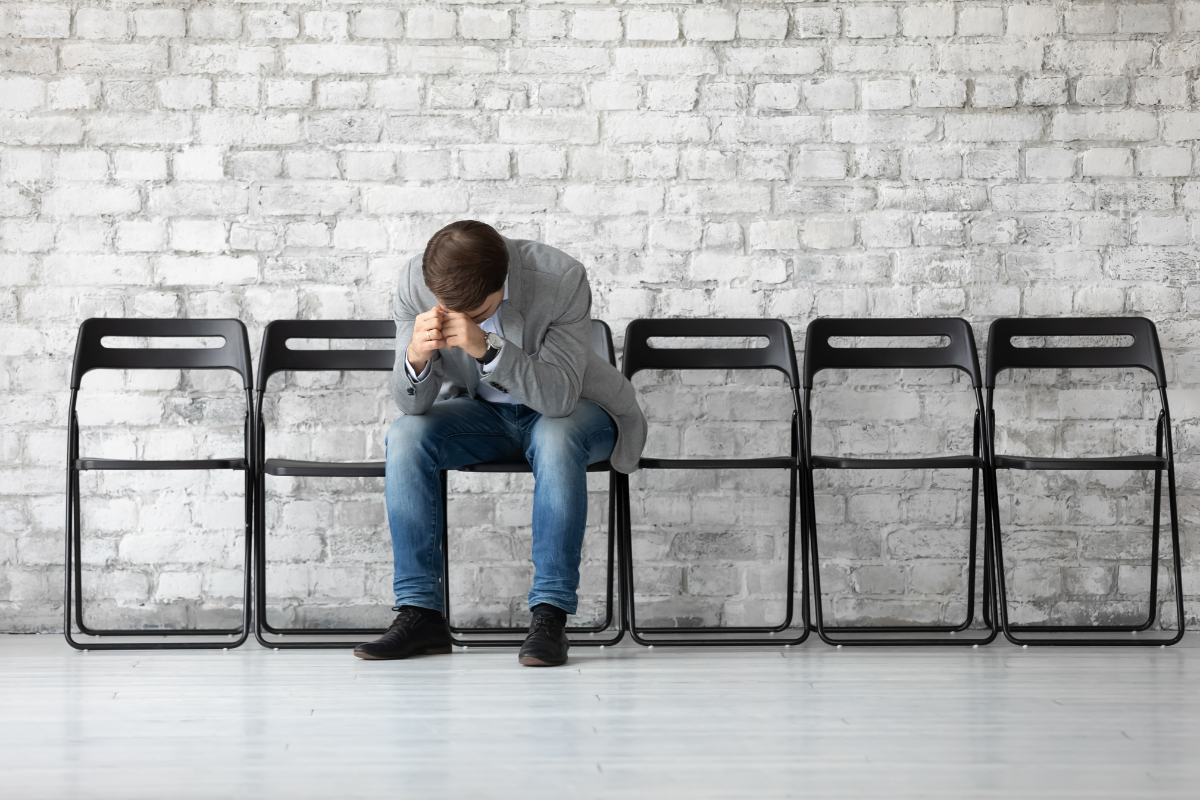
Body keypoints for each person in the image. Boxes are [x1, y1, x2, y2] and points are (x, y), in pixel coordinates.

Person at [354, 220, 646, 667]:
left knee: (555, 433)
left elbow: (558, 397)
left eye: (478, 310)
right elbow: (411, 405)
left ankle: (550, 616)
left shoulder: (561, 278)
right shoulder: (415, 282)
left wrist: (486, 346)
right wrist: (414, 358)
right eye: (456, 311)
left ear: (503, 280)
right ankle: (420, 614)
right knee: (406, 435)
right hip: (487, 415)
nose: (464, 319)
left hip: (579, 409)